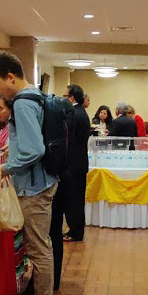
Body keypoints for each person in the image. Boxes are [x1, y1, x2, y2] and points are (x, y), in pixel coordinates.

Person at [0, 51, 58, 295]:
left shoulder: (24, 103)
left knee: (39, 250)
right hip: (40, 183)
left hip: (35, 186)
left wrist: (4, 168)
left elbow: (33, 149)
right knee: (39, 247)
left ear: (11, 77)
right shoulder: (34, 98)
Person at [63, 84, 90, 242]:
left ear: (72, 98)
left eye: (65, 96)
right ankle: (76, 230)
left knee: (73, 200)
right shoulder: (81, 112)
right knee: (77, 199)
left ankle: (75, 231)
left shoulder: (74, 113)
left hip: (73, 164)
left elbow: (70, 140)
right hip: (79, 163)